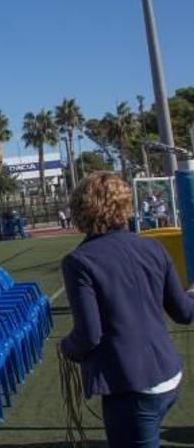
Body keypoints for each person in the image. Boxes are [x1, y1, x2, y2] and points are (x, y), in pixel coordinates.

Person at [60, 172, 194, 448]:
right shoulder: (152, 247)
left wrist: (67, 348)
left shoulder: (79, 261)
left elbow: (89, 335)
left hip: (131, 386)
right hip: (168, 376)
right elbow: (184, 312)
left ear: (80, 211)